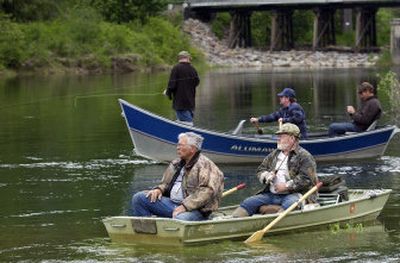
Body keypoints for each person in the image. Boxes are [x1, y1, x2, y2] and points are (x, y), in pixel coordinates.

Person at [130, 132, 224, 221]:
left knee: (180, 219)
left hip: (196, 210)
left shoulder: (205, 165)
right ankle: (148, 231)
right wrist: (159, 190)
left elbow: (207, 191)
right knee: (139, 198)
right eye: (177, 145)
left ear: (192, 149)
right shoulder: (176, 163)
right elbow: (165, 183)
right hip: (172, 204)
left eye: (181, 145)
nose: (177, 148)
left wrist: (185, 206)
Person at [232, 123, 317, 217]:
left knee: (290, 205)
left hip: (295, 195)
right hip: (271, 195)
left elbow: (307, 179)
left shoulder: (305, 156)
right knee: (248, 202)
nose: (278, 139)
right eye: (278, 136)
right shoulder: (274, 154)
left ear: (292, 139)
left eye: (282, 136)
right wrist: (266, 176)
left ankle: (273, 222)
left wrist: (286, 186)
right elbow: (260, 169)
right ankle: (233, 220)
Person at [164, 51, 200, 126]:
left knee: (188, 125)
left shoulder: (176, 68)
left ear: (179, 58)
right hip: (190, 103)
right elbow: (197, 82)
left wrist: (168, 92)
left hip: (180, 104)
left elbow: (172, 85)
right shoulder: (193, 69)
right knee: (187, 124)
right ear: (187, 58)